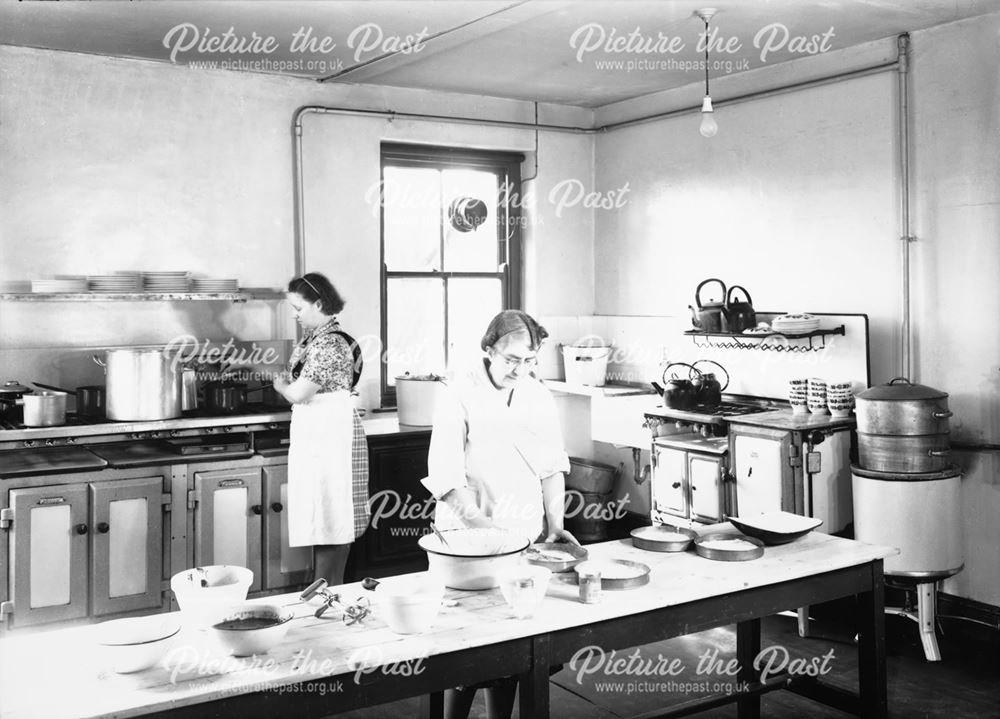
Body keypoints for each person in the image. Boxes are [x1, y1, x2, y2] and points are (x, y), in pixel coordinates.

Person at [421, 309, 578, 719]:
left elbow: (552, 467)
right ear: (489, 349)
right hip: (466, 536)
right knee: (466, 648)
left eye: (530, 361)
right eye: (512, 360)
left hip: (521, 532)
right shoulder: (459, 394)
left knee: (513, 646)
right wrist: (488, 534)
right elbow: (447, 478)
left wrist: (556, 524)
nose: (521, 369)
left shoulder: (537, 396)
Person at [273, 272, 368, 586]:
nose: (295, 315)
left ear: (318, 303)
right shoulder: (314, 339)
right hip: (319, 436)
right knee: (321, 514)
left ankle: (330, 590)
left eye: (299, 308)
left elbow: (299, 393)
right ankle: (325, 591)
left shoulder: (330, 345)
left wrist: (280, 384)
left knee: (331, 514)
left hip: (330, 439)